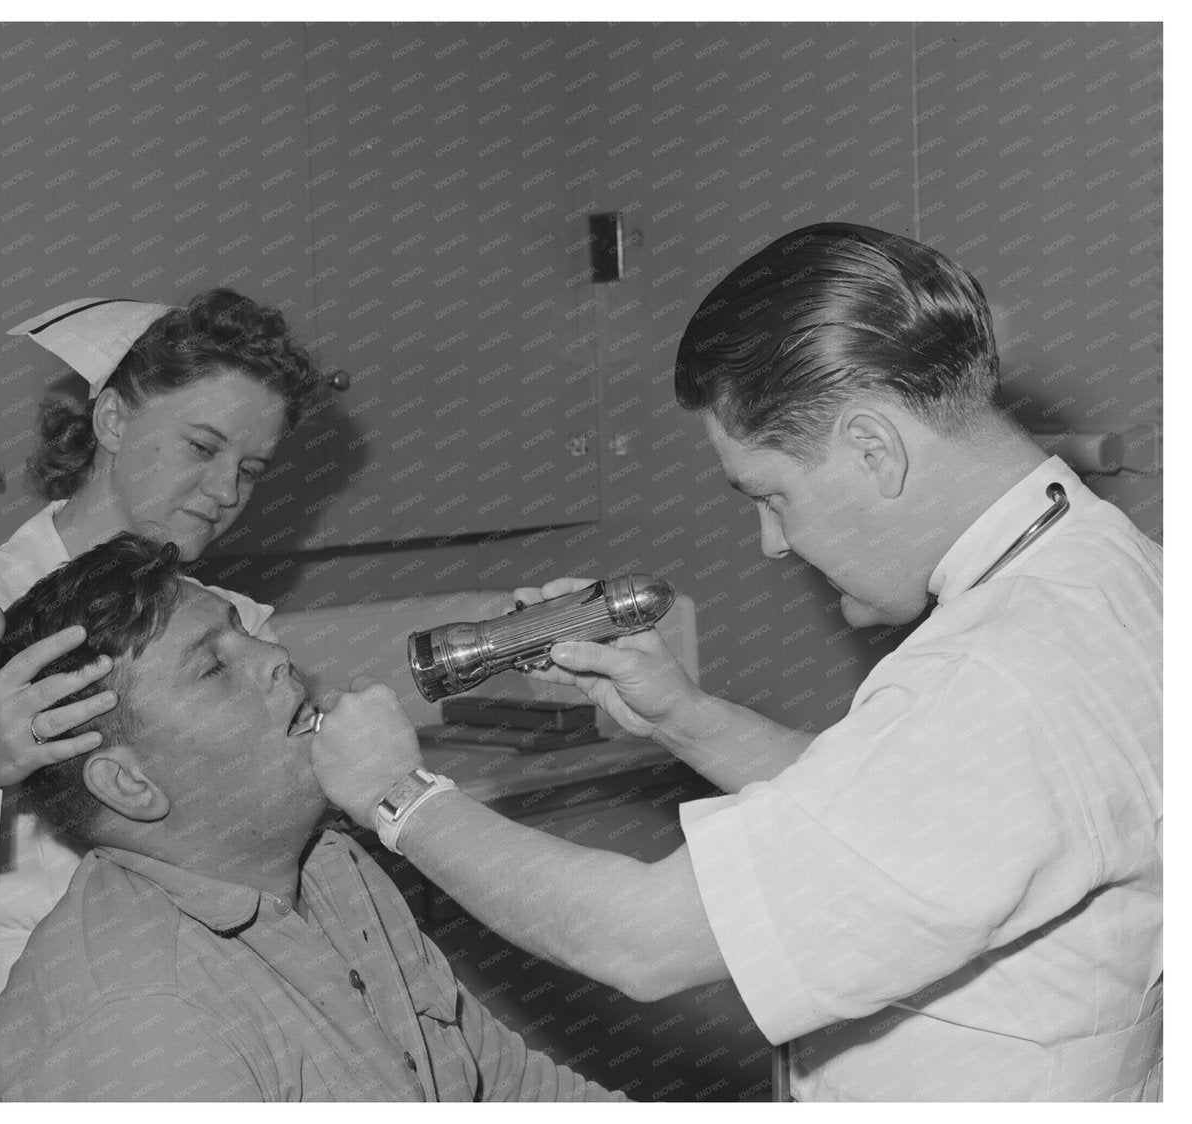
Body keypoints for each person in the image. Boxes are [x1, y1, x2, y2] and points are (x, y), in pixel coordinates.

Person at [310, 223, 1162, 1101]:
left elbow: (640, 939)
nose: (772, 545)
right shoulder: (1106, 574)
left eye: (770, 495)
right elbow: (899, 819)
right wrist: (682, 713)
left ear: (875, 448)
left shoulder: (993, 676)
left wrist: (395, 793)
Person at [0, 290, 324, 1100]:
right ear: (114, 422)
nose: (226, 488)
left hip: (207, 1011)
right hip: (29, 1027)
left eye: (251, 469)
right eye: (202, 445)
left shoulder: (229, 622)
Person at [0, 533, 624, 1103]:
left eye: (244, 632)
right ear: (130, 785)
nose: (274, 656)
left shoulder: (332, 867)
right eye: (214, 667)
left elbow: (506, 1088)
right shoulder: (147, 1026)